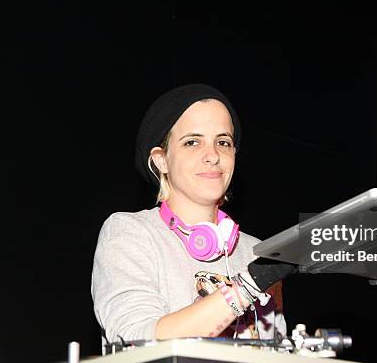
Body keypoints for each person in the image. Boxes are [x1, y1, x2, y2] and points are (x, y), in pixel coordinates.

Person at [91, 84, 291, 343]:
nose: (213, 155)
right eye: (192, 142)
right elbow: (135, 339)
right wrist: (248, 285)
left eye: (223, 142)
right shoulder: (129, 233)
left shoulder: (257, 251)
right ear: (161, 160)